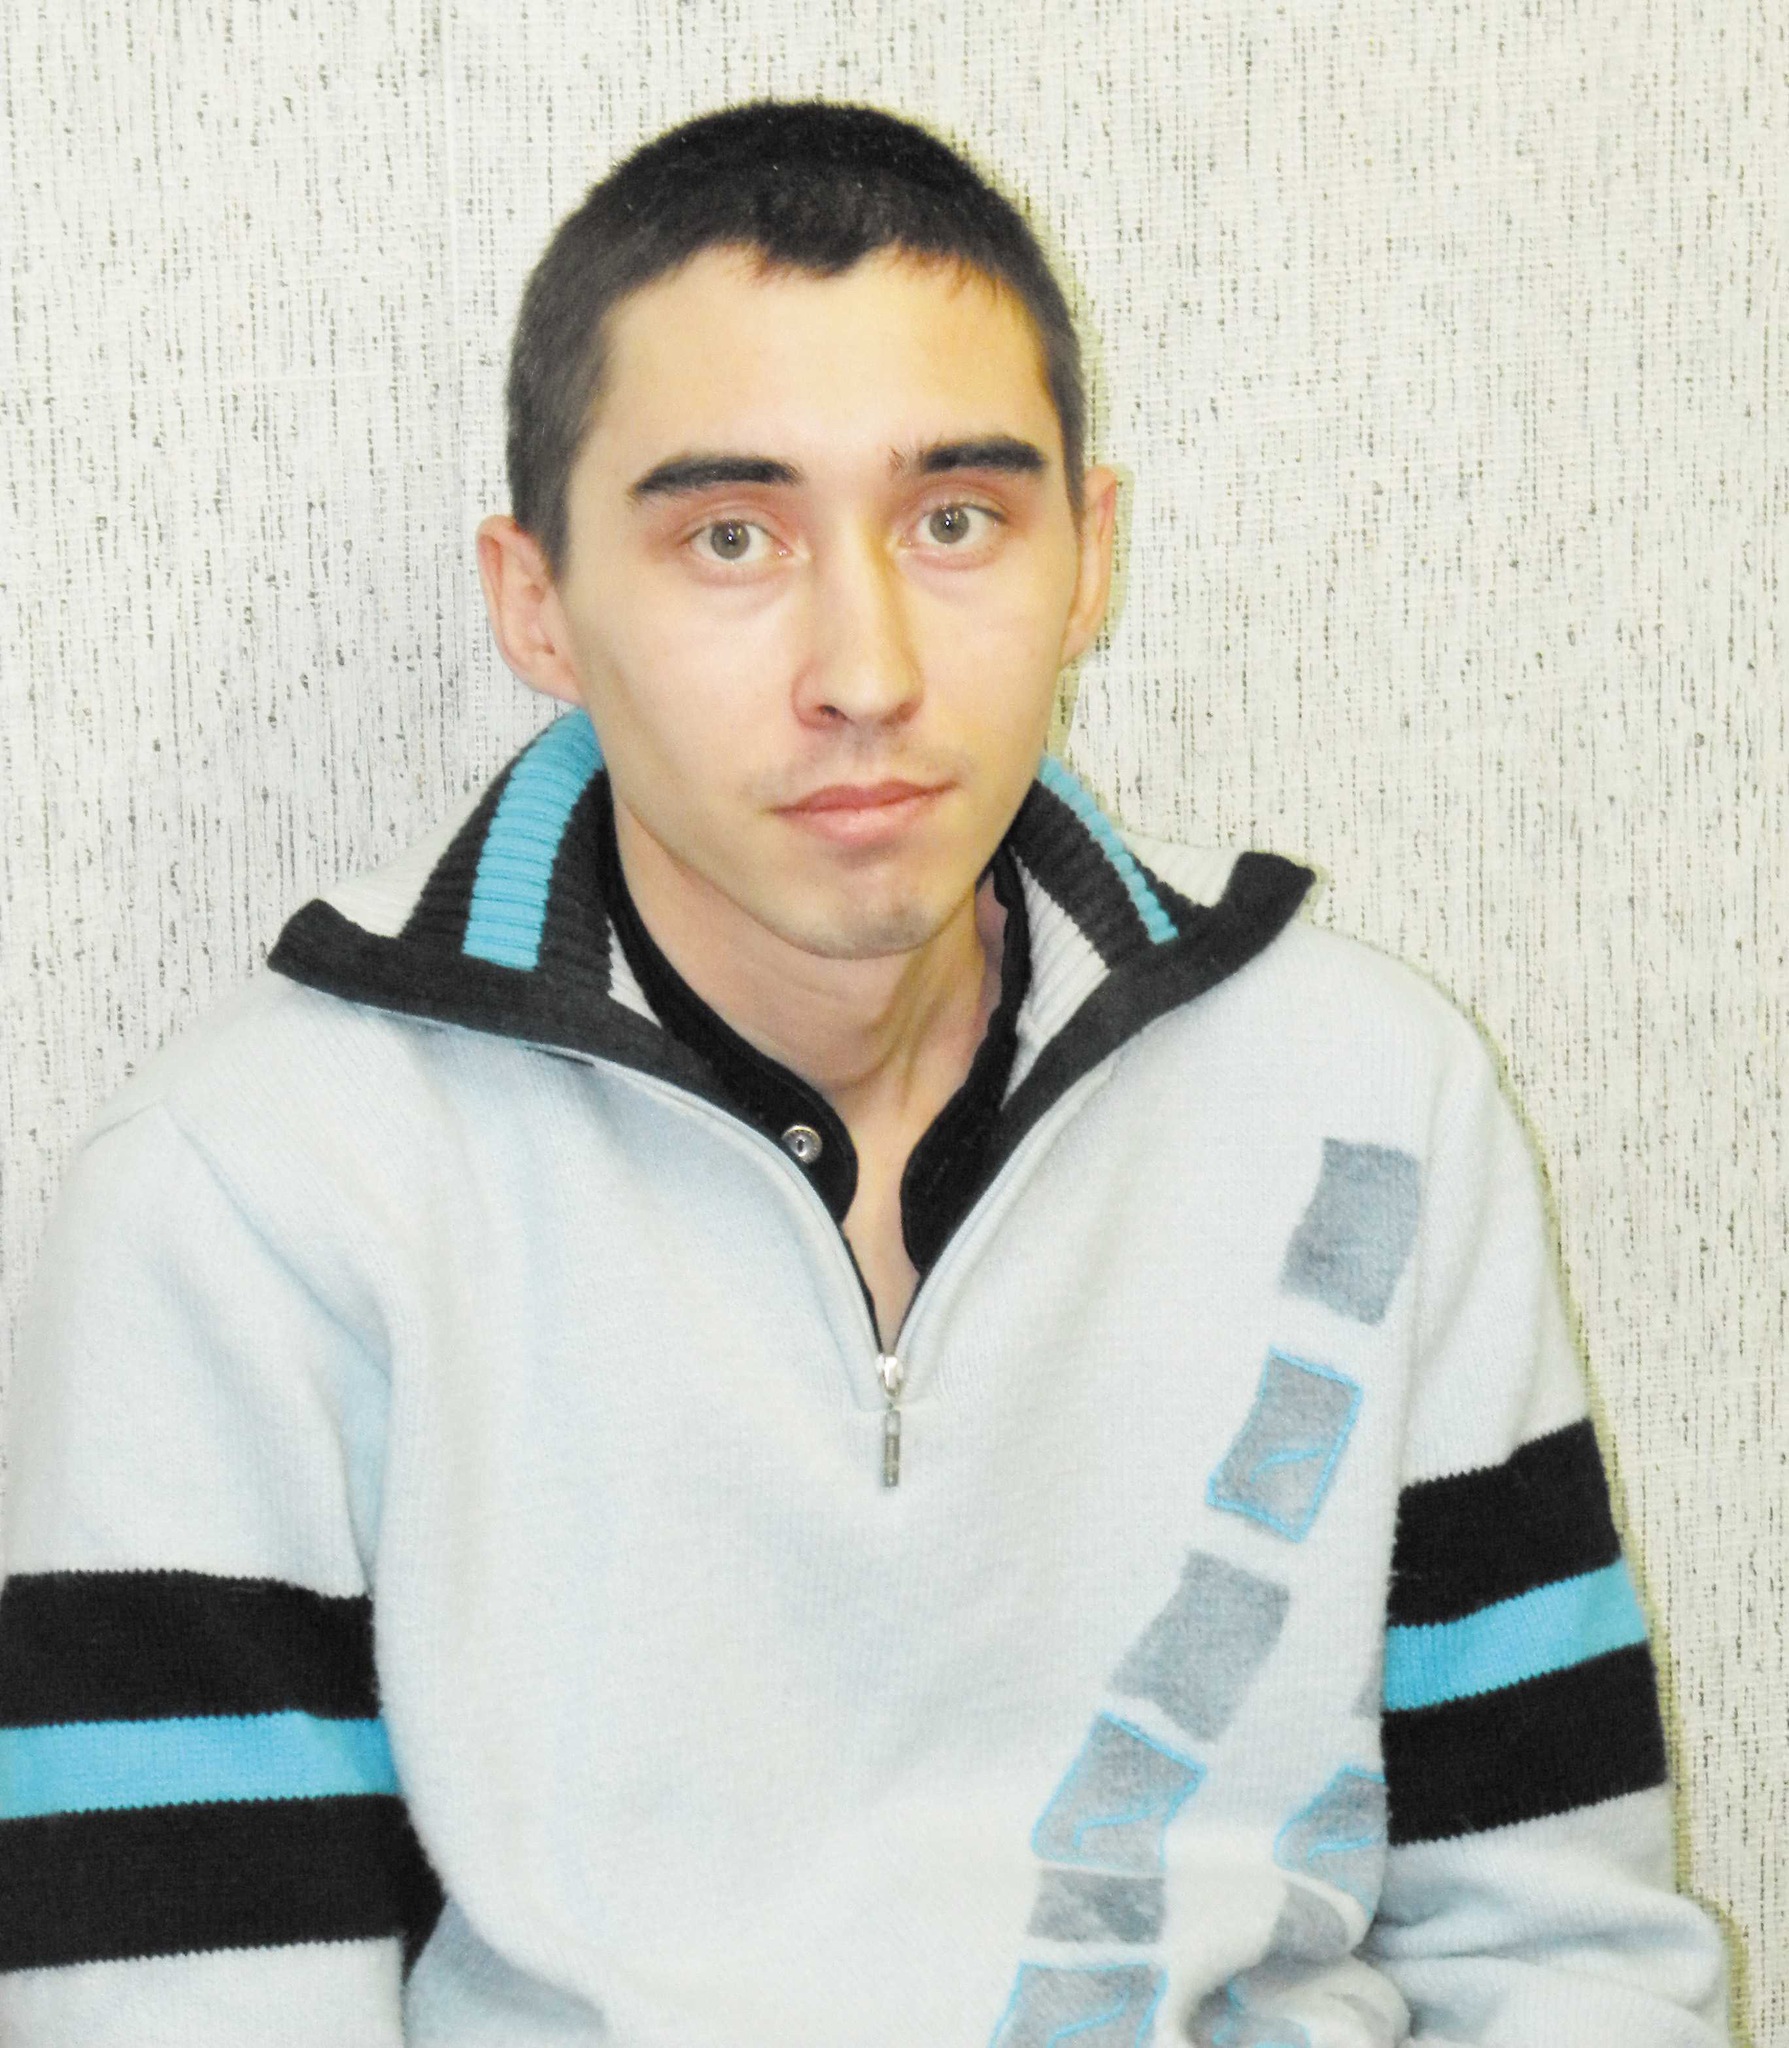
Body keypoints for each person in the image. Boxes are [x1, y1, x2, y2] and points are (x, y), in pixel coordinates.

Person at [0, 100, 1730, 2047]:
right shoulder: (246, 1192)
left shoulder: (1369, 1100)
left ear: (1089, 558)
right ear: (535, 601)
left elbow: (1560, 1960)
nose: (868, 669)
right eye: (730, 536)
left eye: (955, 520)